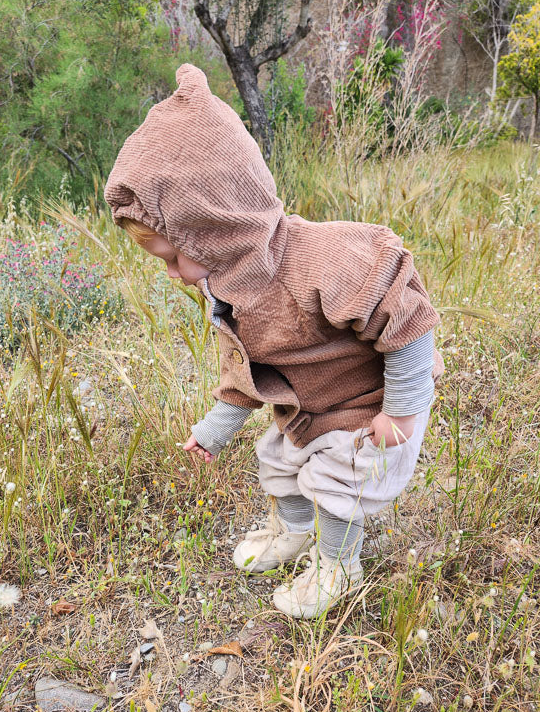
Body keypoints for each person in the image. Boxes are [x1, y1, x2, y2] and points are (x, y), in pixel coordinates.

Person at [103, 63, 445, 620]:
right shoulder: (230, 286)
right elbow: (243, 369)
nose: (175, 275)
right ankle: (293, 531)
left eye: (175, 257)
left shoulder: (324, 259)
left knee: (339, 482)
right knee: (279, 460)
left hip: (371, 406)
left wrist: (403, 410)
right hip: (308, 407)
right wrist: (214, 429)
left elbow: (407, 319)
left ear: (216, 225)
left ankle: (339, 567)